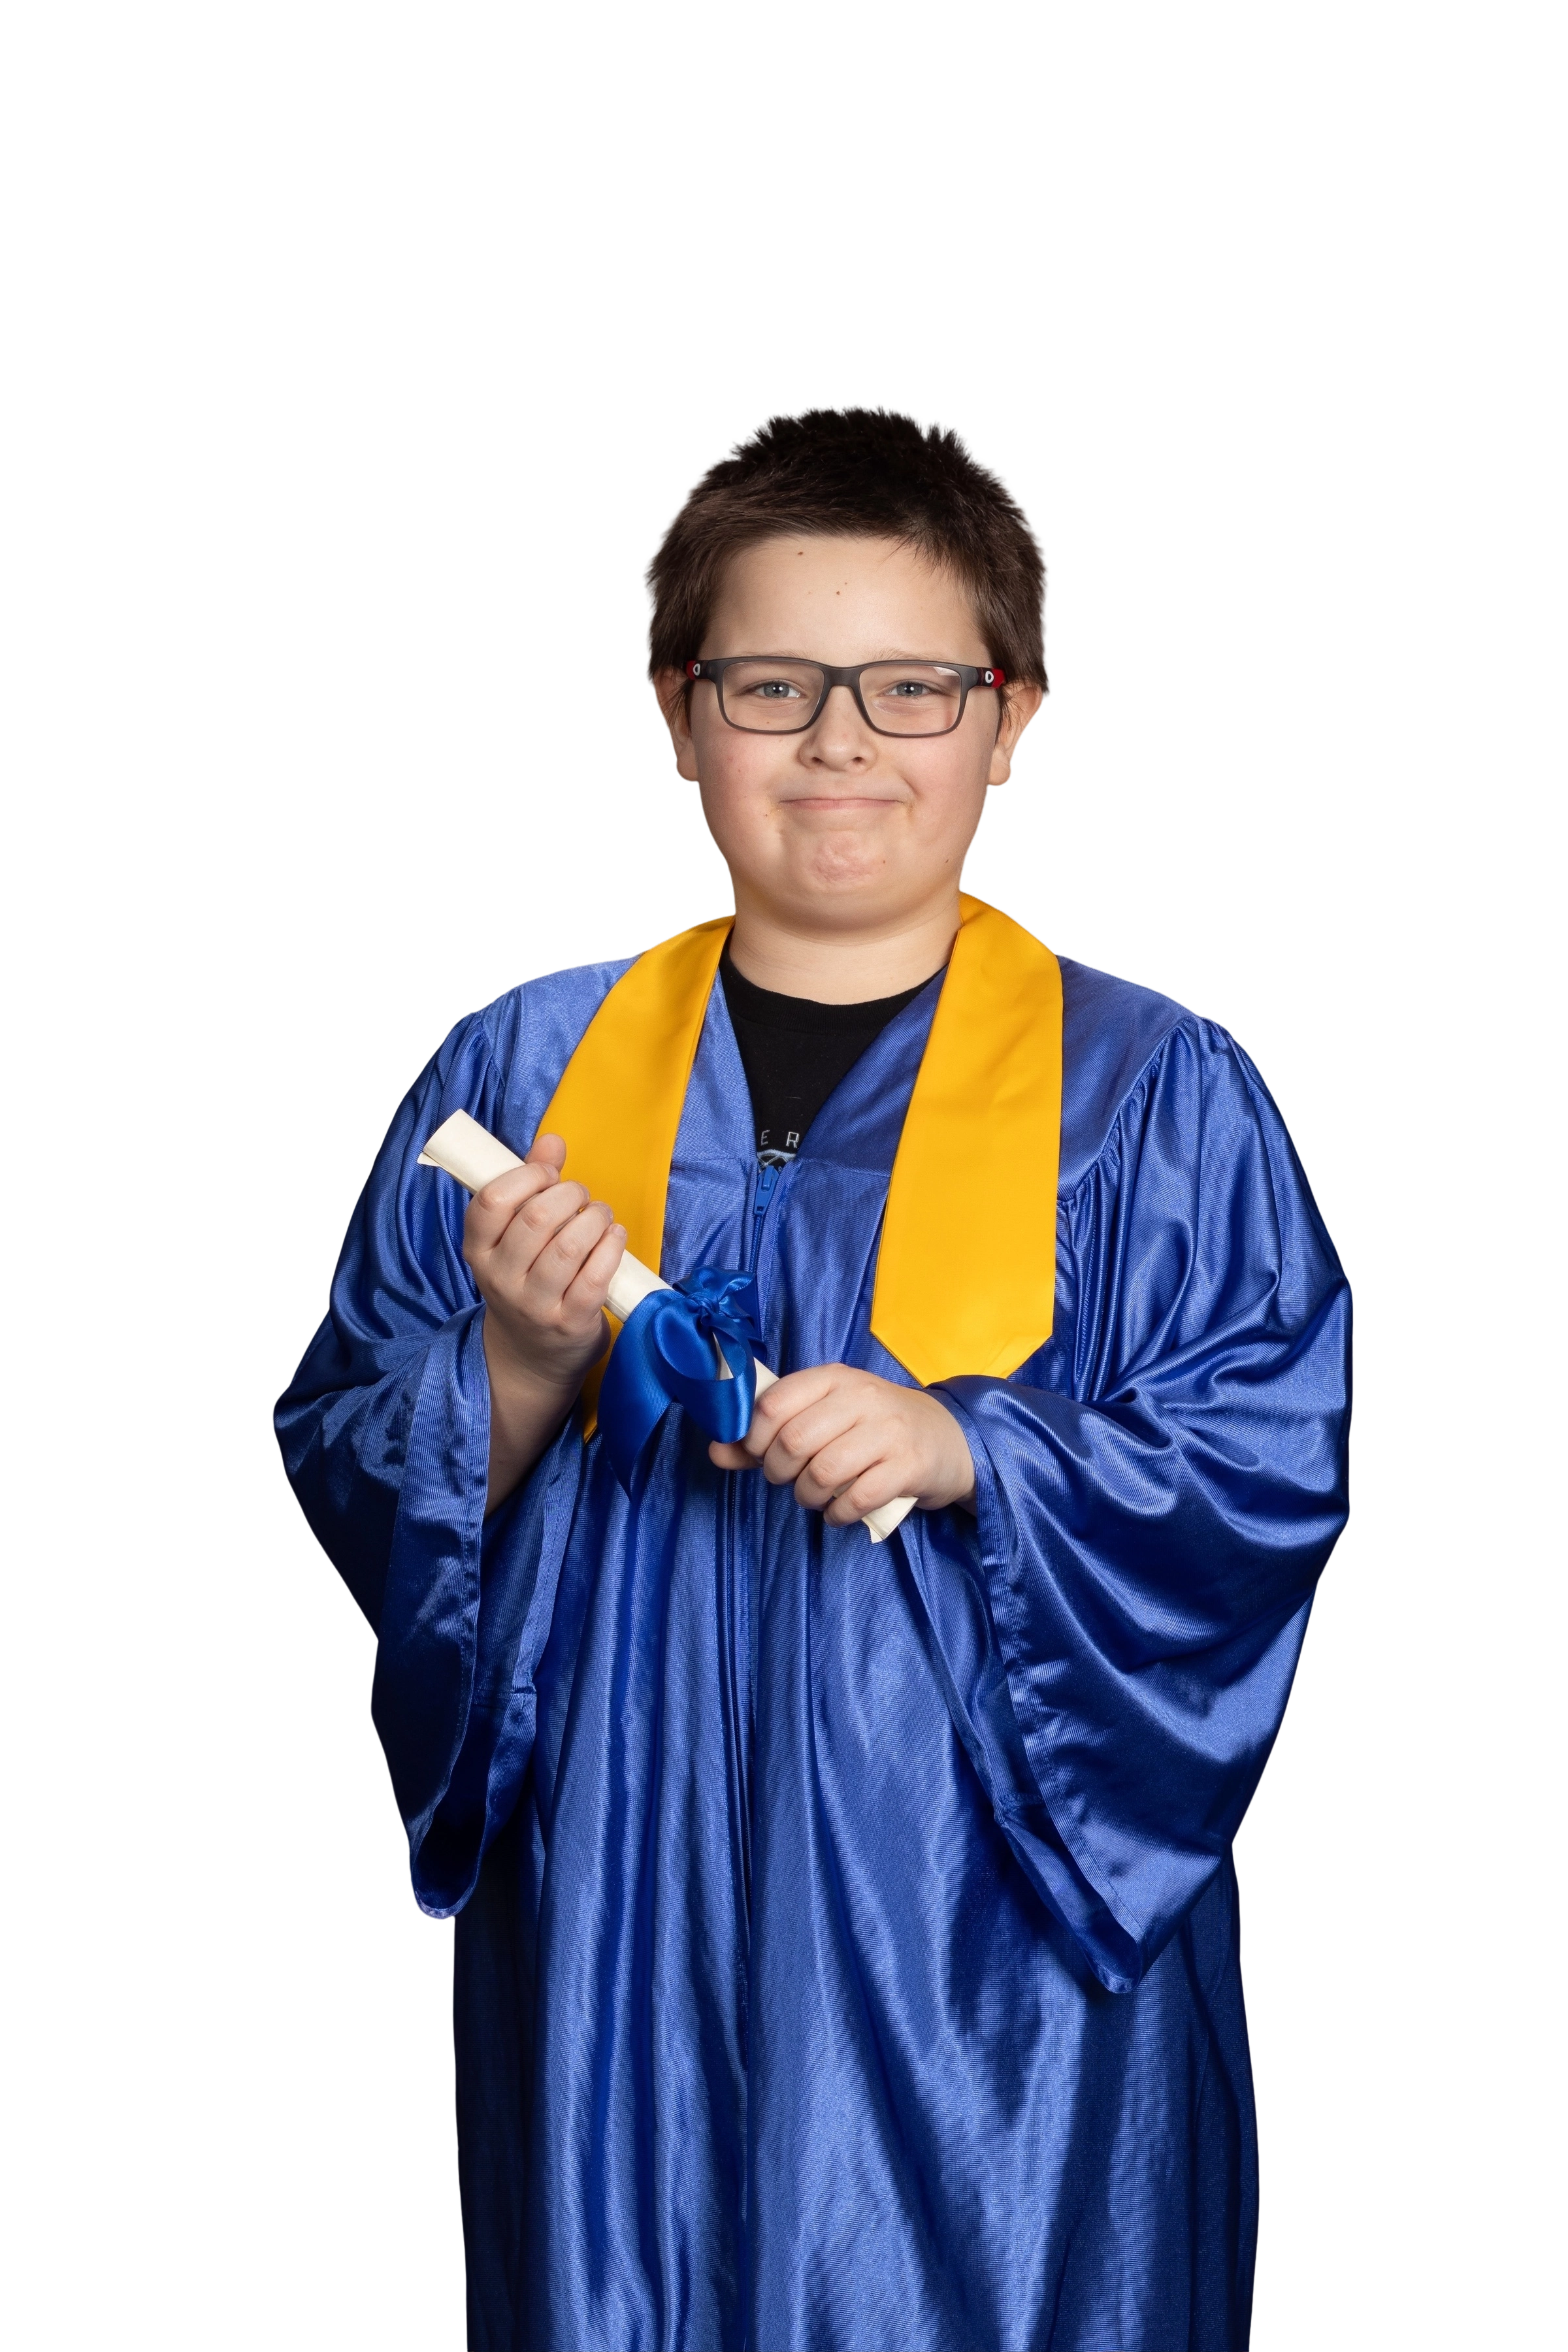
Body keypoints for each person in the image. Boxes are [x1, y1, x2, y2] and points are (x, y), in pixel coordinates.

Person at [274, 401, 1351, 2352]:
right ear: (680, 716)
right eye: (771, 685)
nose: (840, 742)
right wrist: (515, 1365)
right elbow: (346, 1437)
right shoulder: (524, 1071)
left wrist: (980, 1450)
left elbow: (1264, 1465)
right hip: (617, 1931)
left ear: (1011, 722)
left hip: (996, 1958)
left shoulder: (1154, 1096)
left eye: (912, 688)